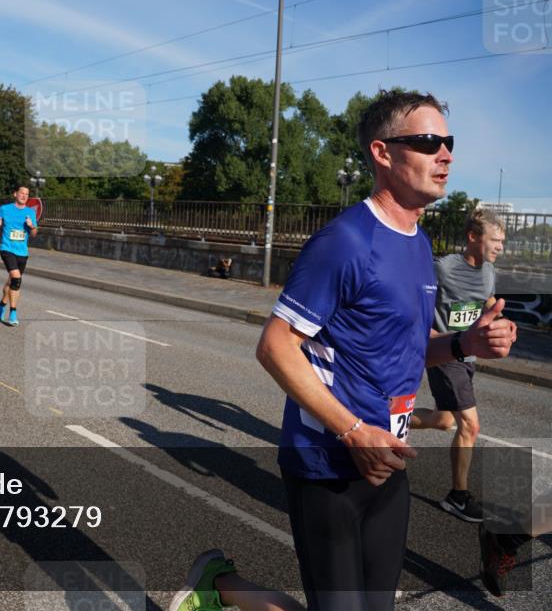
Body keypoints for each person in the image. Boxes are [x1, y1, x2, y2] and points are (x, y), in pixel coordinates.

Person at [215, 90, 517, 611]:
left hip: (389, 461)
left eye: (448, 142)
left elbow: (405, 347)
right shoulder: (345, 242)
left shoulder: (420, 245)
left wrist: (466, 343)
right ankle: (221, 586)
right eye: (427, 142)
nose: (444, 154)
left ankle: (221, 586)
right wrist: (353, 431)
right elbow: (275, 346)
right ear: (382, 153)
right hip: (328, 463)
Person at [409, 208, 506, 522]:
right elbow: (412, 297)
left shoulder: (488, 271)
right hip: (445, 355)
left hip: (467, 357)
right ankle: (458, 496)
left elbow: (486, 300)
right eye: (495, 240)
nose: (500, 247)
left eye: (502, 241)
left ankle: (381, 417)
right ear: (473, 237)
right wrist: (429, 332)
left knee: (443, 421)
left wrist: (502, 321)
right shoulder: (443, 269)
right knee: (470, 425)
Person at [0, 185, 38, 326]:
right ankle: (13, 313)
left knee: (12, 282)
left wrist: (31, 226)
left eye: (27, 194)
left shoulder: (30, 212)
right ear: (15, 194)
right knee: (17, 280)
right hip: (7, 249)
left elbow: (34, 234)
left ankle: (1, 305)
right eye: (22, 193)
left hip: (22, 252)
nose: (24, 196)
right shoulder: (5, 209)